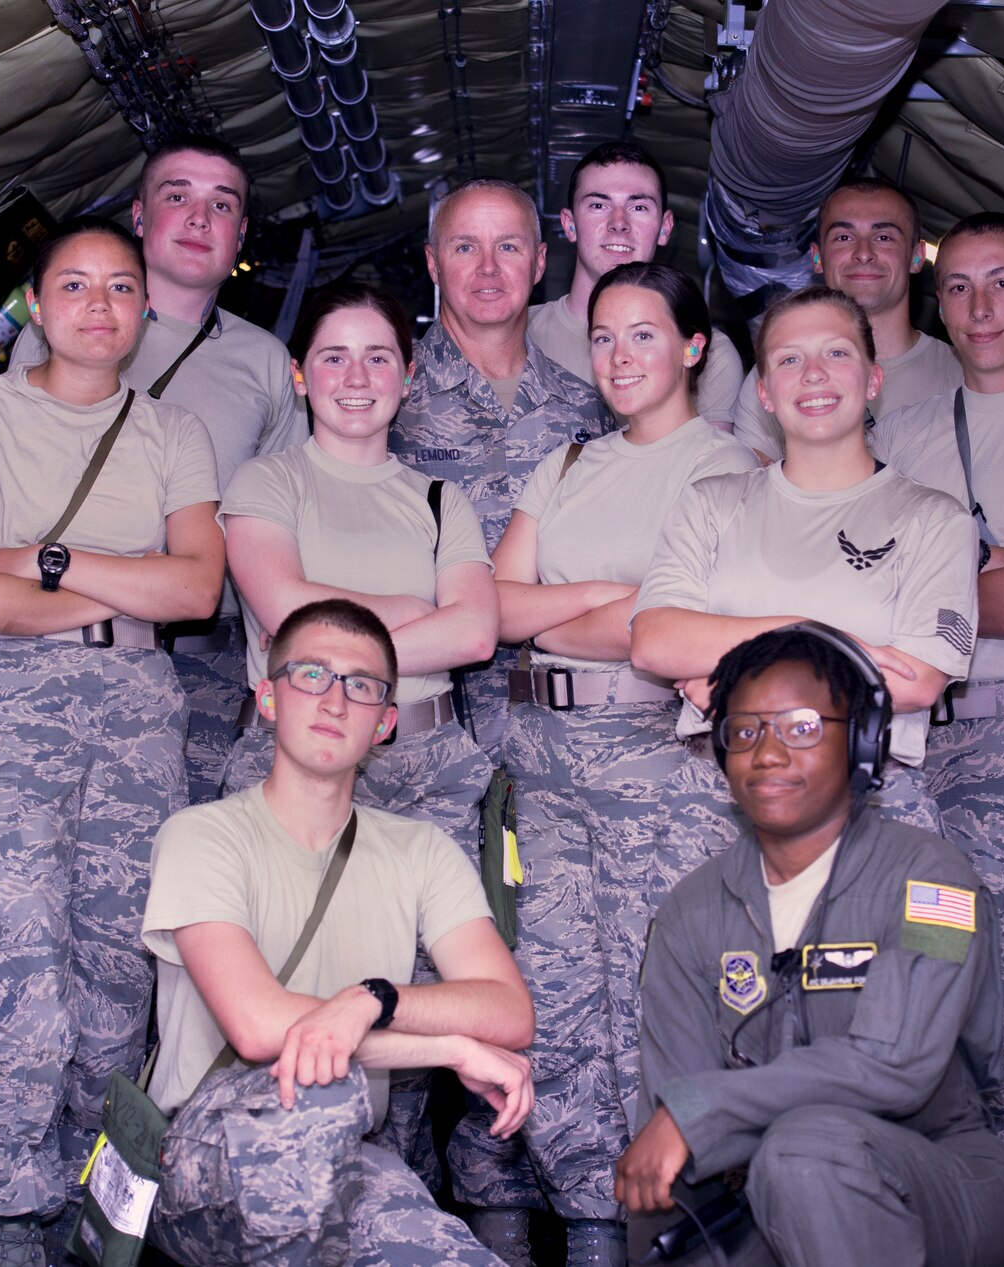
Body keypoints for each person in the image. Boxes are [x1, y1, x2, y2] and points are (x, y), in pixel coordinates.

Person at [0, 217, 224, 1266]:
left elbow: (195, 588)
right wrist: (109, 576)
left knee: (113, 985)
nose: (99, 306)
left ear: (145, 309)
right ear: (37, 308)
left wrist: (42, 559)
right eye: (75, 287)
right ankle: (9, 1226)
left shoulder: (171, 431)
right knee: (20, 983)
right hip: (13, 712)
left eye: (121, 288)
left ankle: (93, 1226)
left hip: (140, 715)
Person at [491, 262, 758, 1265]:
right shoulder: (561, 468)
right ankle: (593, 1228)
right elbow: (493, 611)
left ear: (693, 347)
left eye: (643, 334)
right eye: (602, 336)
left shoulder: (728, 471)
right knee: (557, 1006)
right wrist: (613, 599)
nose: (618, 356)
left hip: (663, 770)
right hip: (543, 769)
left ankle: (676, 1225)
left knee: (662, 1006)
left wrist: (579, 610)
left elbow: (666, 635)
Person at [140, 599, 535, 1266]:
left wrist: (372, 998)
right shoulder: (200, 835)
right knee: (319, 1088)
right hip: (203, 1158)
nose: (334, 699)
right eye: (311, 674)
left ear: (384, 723)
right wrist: (450, 1047)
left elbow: (508, 1009)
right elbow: (261, 1028)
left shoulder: (422, 849)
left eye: (360, 685)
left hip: (348, 1156)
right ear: (268, 697)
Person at [617, 624, 1004, 1267]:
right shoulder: (689, 913)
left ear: (863, 744)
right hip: (749, 1190)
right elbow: (672, 1122)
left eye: (801, 727)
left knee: (805, 1151)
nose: (768, 754)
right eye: (745, 731)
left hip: (936, 1175)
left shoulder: (932, 883)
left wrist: (700, 1110)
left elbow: (895, 1067)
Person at [386, 177, 612, 1254]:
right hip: (416, 748)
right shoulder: (379, 394)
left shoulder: (587, 407)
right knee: (403, 1001)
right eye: (463, 248)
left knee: (539, 985)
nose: (486, 269)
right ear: (430, 264)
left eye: (508, 247)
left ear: (541, 265)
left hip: (552, 751)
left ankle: (538, 1223)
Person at [871, 210, 1004, 1253]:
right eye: (956, 287)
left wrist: (920, 595)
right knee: (935, 1014)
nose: (979, 306)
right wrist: (963, 587)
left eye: (1002, 284)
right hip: (916, 766)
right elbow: (842, 586)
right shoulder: (903, 434)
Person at [7, 132, 302, 805]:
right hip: (58, 638)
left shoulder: (263, 361)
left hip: (204, 660)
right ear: (139, 217)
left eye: (222, 205)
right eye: (178, 197)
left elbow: (283, 527)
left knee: (179, 866)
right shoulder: (62, 327)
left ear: (242, 235)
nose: (200, 218)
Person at [632, 286, 977, 833]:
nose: (814, 374)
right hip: (714, 802)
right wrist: (815, 633)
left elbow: (916, 682)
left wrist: (729, 678)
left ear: (873, 379)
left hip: (867, 801)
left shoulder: (934, 519)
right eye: (790, 359)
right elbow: (655, 641)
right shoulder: (712, 502)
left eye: (837, 353)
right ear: (764, 392)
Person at [218, 281, 497, 883]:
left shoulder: (441, 500)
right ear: (300, 375)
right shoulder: (265, 483)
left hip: (428, 771)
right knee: (297, 965)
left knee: (426, 971)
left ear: (408, 375)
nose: (356, 378)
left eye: (378, 357)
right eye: (333, 357)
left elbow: (474, 634)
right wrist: (414, 608)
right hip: (294, 762)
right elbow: (284, 610)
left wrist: (322, 658)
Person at [729, 176, 961, 462]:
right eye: (844, 238)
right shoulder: (780, 374)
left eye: (884, 237)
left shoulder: (961, 375)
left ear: (916, 257)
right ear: (817, 257)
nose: (863, 253)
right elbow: (755, 491)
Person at [525, 142, 745, 425]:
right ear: (569, 225)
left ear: (665, 228)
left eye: (639, 206)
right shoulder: (521, 338)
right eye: (598, 205)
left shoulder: (706, 354)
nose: (619, 222)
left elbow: (710, 464)